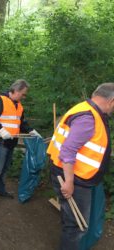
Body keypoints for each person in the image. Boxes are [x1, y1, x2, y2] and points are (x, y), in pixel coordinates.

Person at [47, 83, 114, 249]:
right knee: (77, 227)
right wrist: (69, 182)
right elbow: (68, 151)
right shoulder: (88, 118)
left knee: (71, 222)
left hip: (68, 174)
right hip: (74, 179)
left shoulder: (84, 108)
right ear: (111, 101)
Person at [0, 79, 41, 205]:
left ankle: (0, 190)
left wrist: (31, 130)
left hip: (11, 141)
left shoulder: (19, 105)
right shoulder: (0, 101)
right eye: (23, 94)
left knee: (4, 168)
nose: (24, 97)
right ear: (15, 91)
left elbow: (21, 122)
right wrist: (1, 130)